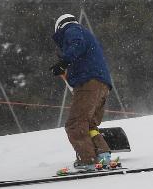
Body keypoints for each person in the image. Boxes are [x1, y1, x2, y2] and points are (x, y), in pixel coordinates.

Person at [50, 13, 117, 173]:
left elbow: (76, 44)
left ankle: (87, 160)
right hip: (103, 84)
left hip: (89, 82)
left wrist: (64, 61)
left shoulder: (71, 30)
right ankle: (103, 155)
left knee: (75, 124)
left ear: (60, 27)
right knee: (89, 124)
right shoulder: (85, 33)